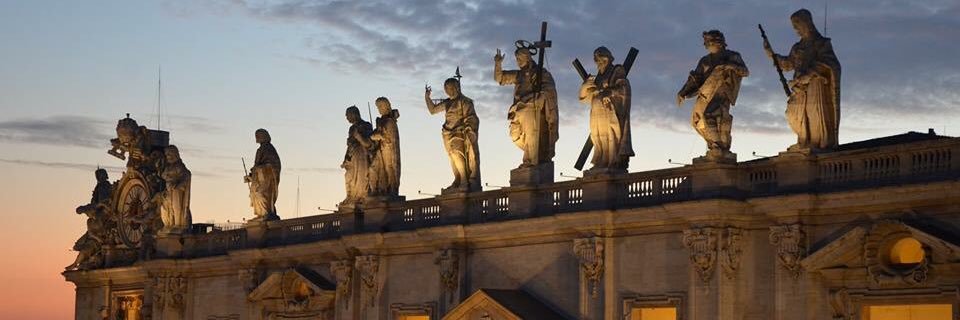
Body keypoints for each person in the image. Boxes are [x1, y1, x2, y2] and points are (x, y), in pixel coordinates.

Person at [764, 8, 841, 151]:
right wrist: (771, 54)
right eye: (794, 27)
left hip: (815, 86)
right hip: (798, 87)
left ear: (806, 23)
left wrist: (808, 74)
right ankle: (804, 141)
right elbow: (788, 64)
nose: (796, 29)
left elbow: (830, 63)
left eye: (797, 25)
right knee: (792, 113)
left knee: (813, 115)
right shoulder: (797, 47)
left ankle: (813, 143)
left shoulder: (821, 43)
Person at [677, 30, 749, 161]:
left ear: (717, 42)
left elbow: (745, 71)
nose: (705, 45)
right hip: (705, 93)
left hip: (722, 92)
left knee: (710, 115)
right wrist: (683, 92)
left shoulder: (732, 56)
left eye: (707, 42)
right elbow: (695, 79)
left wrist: (729, 66)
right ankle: (713, 145)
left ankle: (719, 147)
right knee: (696, 121)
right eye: (705, 43)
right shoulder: (705, 60)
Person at [494, 46, 559, 167]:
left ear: (528, 58)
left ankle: (530, 161)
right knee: (514, 134)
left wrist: (539, 97)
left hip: (532, 108)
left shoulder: (541, 72)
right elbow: (500, 78)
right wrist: (498, 63)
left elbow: (549, 88)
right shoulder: (519, 75)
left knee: (531, 134)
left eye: (520, 58)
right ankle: (533, 153)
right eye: (517, 58)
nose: (518, 61)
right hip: (518, 109)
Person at [579, 46, 634, 170]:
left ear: (606, 59)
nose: (598, 63)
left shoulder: (617, 70)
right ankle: (600, 162)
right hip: (596, 113)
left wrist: (609, 92)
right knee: (598, 137)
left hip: (610, 112)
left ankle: (612, 162)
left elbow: (624, 88)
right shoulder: (596, 77)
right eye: (596, 60)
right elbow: (584, 98)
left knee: (611, 137)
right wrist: (584, 87)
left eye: (599, 59)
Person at [425, 78, 481, 192]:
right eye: (446, 89)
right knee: (452, 157)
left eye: (450, 88)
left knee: (458, 155)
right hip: (447, 133)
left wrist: (468, 128)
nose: (449, 91)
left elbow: (472, 117)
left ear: (457, 88)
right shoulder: (447, 102)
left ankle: (464, 181)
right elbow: (433, 110)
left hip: (458, 133)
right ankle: (458, 179)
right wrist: (427, 97)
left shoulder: (465, 101)